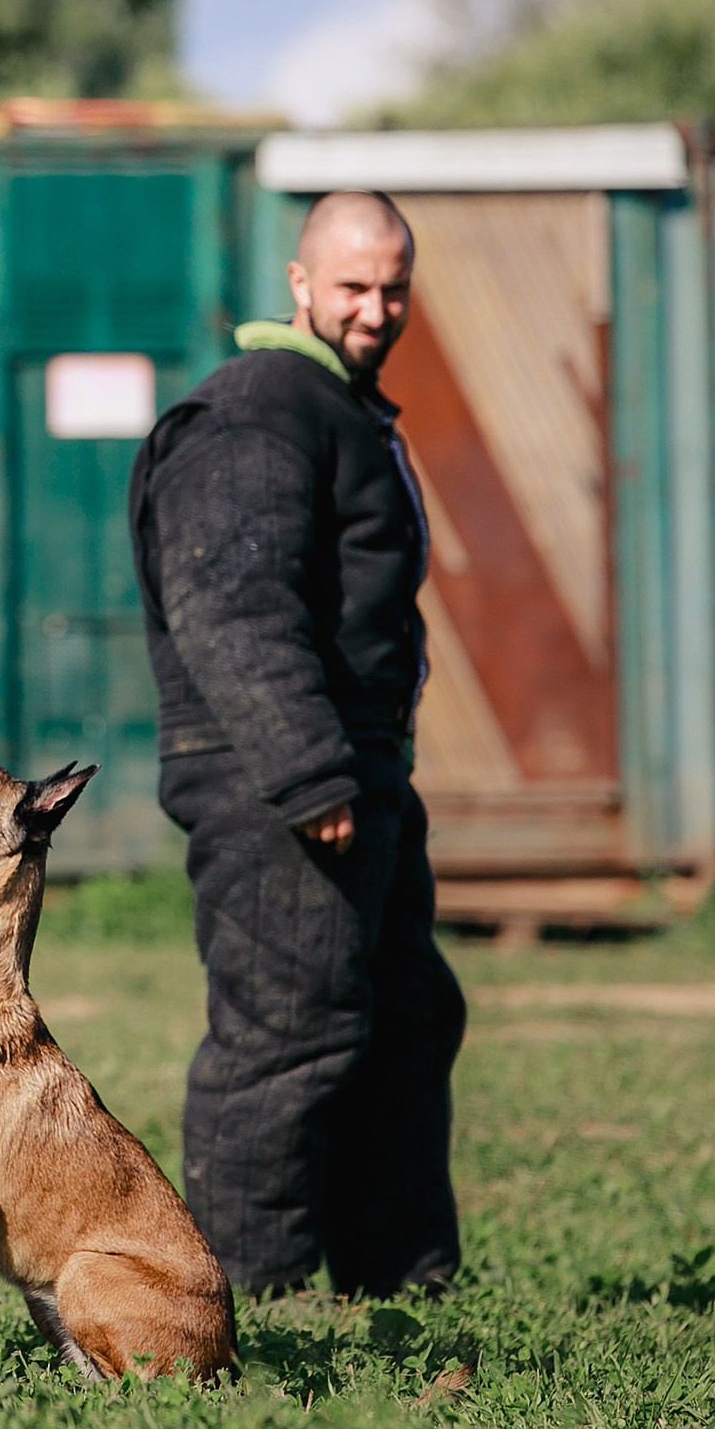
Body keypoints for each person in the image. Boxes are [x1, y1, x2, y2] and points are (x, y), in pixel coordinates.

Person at [126, 190, 466, 1301]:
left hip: (354, 768)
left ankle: (397, 1279)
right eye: (354, 287)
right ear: (301, 284)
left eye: (393, 288)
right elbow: (228, 603)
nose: (375, 309)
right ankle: (245, 1299)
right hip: (277, 780)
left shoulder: (336, 407)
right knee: (287, 1035)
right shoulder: (258, 409)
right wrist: (305, 767)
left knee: (406, 1018)